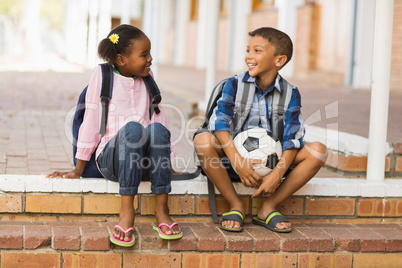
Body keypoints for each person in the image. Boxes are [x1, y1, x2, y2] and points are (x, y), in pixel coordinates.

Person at [47, 24, 182, 246]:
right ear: (121, 60)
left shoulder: (148, 77)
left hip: (144, 162)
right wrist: (77, 168)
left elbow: (159, 118)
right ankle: (127, 213)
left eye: (149, 53)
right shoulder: (102, 75)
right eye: (144, 55)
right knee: (133, 128)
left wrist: (169, 163)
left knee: (157, 129)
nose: (150, 59)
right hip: (112, 159)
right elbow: (90, 121)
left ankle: (162, 211)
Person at [193, 27, 328, 233]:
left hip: (273, 165)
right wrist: (238, 161)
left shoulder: (291, 93)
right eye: (248, 50)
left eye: (257, 51)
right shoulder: (234, 84)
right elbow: (219, 124)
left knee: (318, 150)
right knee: (202, 140)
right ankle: (235, 204)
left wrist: (278, 173)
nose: (249, 56)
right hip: (233, 161)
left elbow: (293, 139)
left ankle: (268, 207)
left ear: (279, 60)